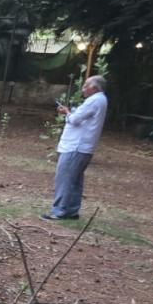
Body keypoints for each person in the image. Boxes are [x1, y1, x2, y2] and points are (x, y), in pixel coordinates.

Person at [42, 75, 108, 221]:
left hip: (76, 146)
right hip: (84, 147)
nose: (83, 89)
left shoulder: (94, 100)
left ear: (94, 88)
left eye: (86, 86)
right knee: (75, 180)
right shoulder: (100, 100)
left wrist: (67, 112)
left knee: (64, 179)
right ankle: (72, 210)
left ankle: (59, 211)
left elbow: (75, 119)